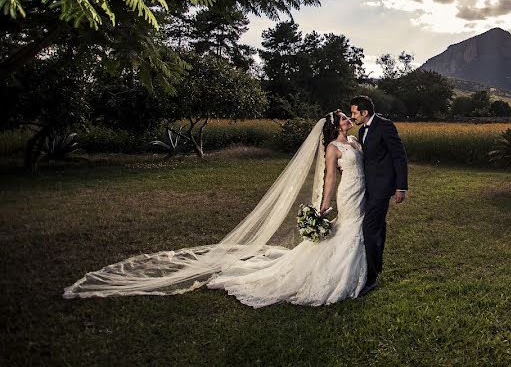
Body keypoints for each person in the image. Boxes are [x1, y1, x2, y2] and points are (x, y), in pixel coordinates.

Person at [64, 111, 368, 307]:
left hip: (359, 192)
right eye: (343, 118)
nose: (347, 120)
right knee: (348, 230)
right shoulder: (332, 148)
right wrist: (324, 206)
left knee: (352, 230)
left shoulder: (354, 141)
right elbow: (330, 179)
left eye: (347, 117)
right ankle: (336, 274)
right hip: (344, 194)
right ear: (333, 125)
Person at [350, 95, 408, 296]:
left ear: (365, 112)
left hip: (382, 188)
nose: (352, 116)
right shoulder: (361, 130)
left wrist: (401, 187)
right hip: (367, 186)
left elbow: (399, 155)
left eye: (354, 112)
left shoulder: (385, 126)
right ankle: (375, 264)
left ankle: (371, 278)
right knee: (376, 227)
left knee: (369, 227)